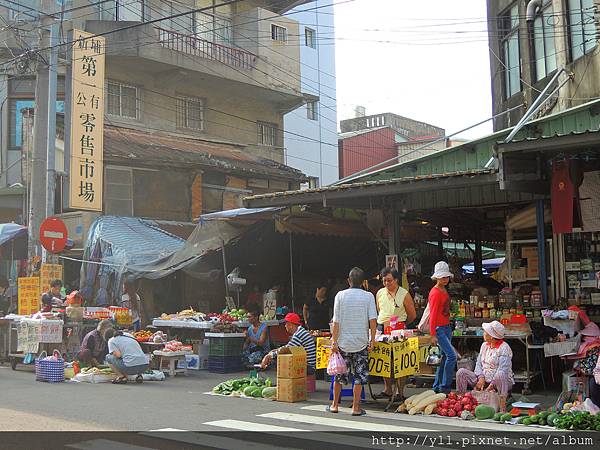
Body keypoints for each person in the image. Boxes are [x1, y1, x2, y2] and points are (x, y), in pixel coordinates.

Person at [328, 267, 377, 417]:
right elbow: (373, 321)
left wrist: (334, 342)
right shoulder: (368, 296)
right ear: (363, 282)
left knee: (339, 375)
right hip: (361, 343)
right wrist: (372, 340)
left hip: (343, 343)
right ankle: (356, 408)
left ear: (348, 281)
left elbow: (336, 322)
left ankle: (335, 405)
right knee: (359, 376)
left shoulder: (340, 296)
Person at [375, 266, 417, 399]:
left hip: (398, 328)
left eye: (389, 280)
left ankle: (400, 391)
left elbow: (412, 315)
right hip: (382, 327)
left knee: (400, 360)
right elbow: (378, 309)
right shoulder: (380, 293)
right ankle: (387, 388)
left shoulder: (404, 293)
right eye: (384, 280)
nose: (387, 283)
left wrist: (401, 324)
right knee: (384, 358)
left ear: (396, 280)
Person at [456, 320, 514, 412]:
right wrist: (481, 377)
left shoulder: (504, 348)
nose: (483, 333)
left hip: (500, 381)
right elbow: (478, 364)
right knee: (461, 372)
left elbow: (503, 369)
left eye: (485, 332)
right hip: (483, 380)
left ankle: (502, 406)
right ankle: (461, 401)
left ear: (491, 336)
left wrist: (491, 385)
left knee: (501, 374)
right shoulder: (484, 345)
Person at [429, 261, 456, 395]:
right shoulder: (435, 293)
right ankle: (444, 387)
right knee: (451, 356)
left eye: (447, 277)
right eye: (443, 277)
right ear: (437, 277)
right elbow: (432, 314)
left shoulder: (443, 289)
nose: (445, 279)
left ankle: (437, 386)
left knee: (445, 357)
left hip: (446, 327)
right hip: (439, 328)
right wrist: (433, 334)